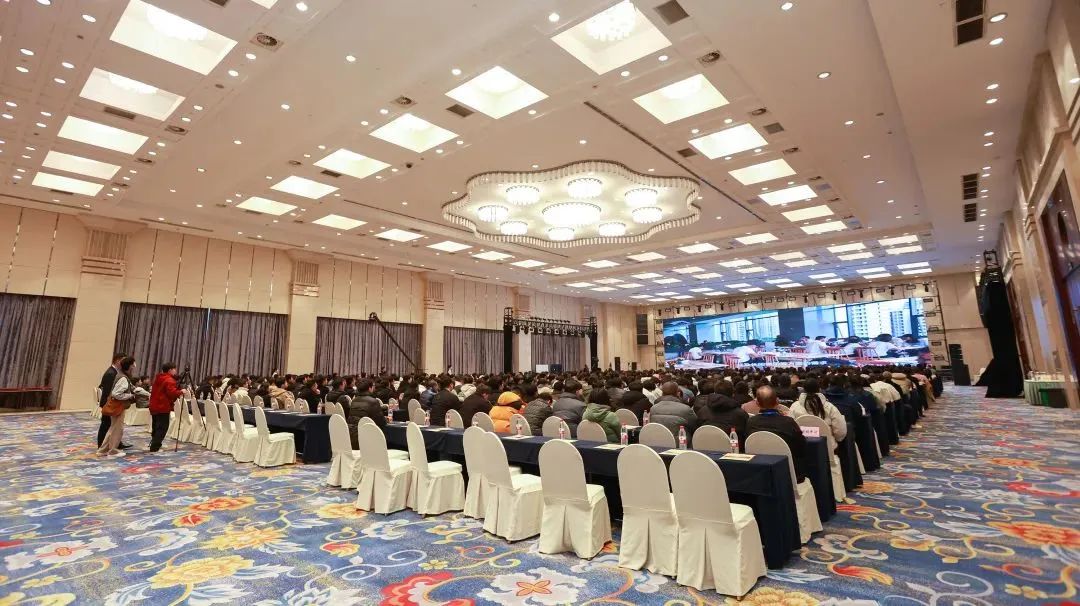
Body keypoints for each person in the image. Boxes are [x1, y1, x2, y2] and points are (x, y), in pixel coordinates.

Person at [746, 385, 808, 481]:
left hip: (760, 473)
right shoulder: (788, 422)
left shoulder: (751, 422)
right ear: (777, 401)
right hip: (790, 474)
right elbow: (802, 446)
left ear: (757, 403)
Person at [98, 357, 136, 457]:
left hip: (117, 406)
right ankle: (113, 450)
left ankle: (103, 450)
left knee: (113, 428)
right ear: (130, 366)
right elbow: (116, 394)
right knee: (117, 429)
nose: (134, 366)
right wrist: (130, 396)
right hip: (118, 406)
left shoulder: (121, 375)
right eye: (133, 364)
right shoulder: (123, 378)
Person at [695, 380, 749, 445]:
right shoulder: (741, 414)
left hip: (705, 446)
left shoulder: (702, 411)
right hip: (733, 449)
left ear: (715, 392)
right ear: (732, 393)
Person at [148, 363, 185, 452]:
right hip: (162, 406)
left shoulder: (158, 377)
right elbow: (171, 393)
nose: (175, 371)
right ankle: (155, 447)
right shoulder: (169, 380)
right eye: (174, 369)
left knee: (156, 425)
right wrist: (181, 391)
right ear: (170, 370)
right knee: (162, 427)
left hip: (154, 405)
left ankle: (154, 442)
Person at [346, 380, 386, 448]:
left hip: (352, 435)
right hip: (366, 437)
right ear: (370, 388)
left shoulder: (354, 401)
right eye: (373, 386)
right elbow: (381, 422)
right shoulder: (374, 401)